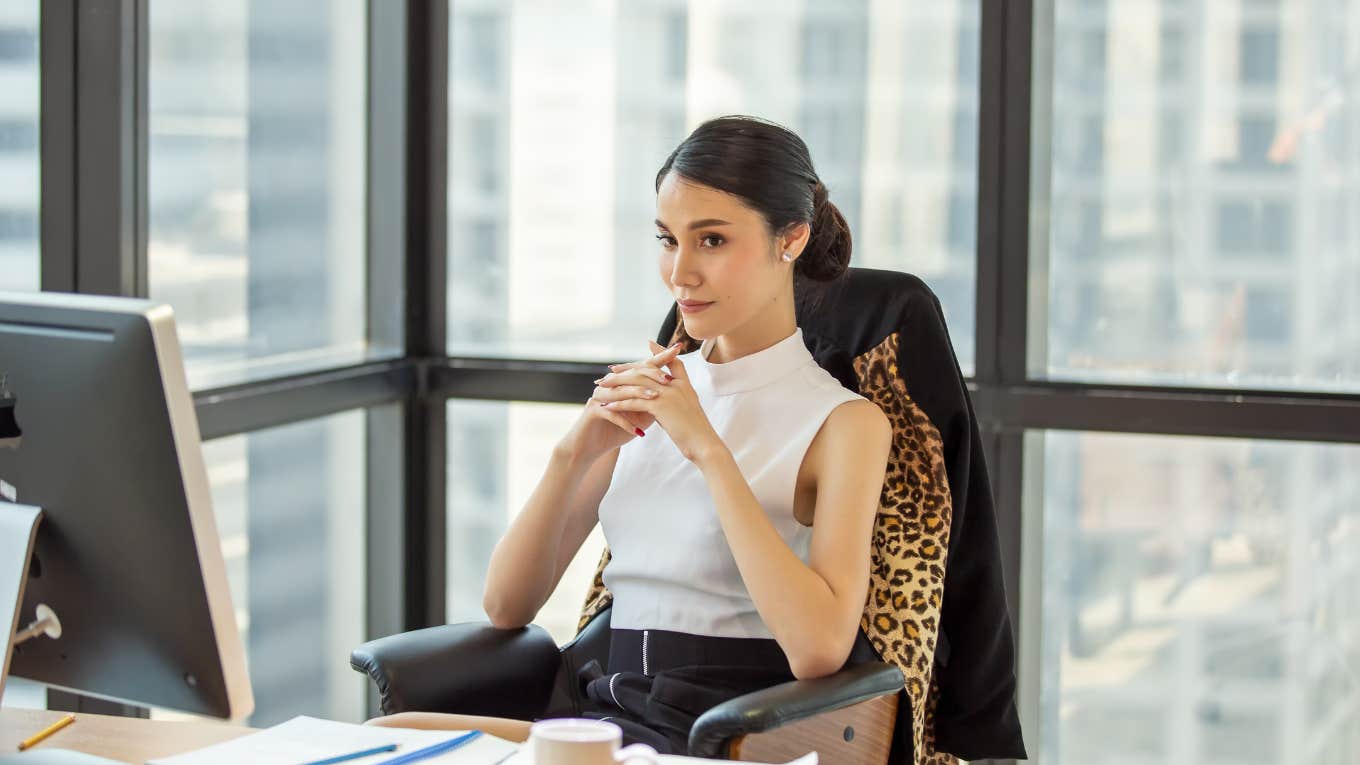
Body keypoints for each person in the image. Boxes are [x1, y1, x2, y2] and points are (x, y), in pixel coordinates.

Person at [367, 115, 892, 753]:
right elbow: (507, 605)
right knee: (386, 739)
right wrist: (574, 451)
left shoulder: (843, 423)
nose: (681, 274)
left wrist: (709, 451)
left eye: (713, 241)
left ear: (792, 240)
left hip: (715, 730)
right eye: (668, 239)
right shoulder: (653, 393)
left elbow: (818, 650)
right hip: (599, 709)